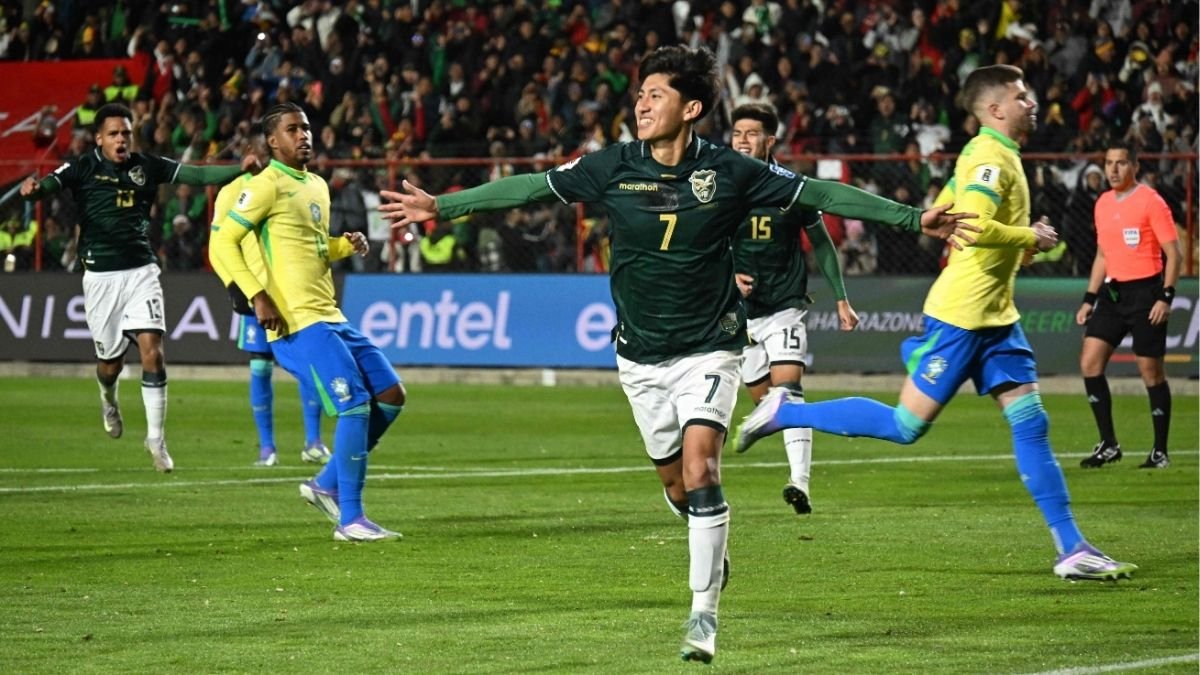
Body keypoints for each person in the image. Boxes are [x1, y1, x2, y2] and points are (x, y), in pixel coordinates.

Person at [379, 46, 976, 664]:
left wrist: (911, 218)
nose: (640, 102)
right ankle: (711, 546)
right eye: (639, 93)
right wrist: (442, 206)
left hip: (711, 348)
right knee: (676, 485)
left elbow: (821, 193)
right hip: (638, 356)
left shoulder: (733, 171)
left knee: (702, 470)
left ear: (690, 108)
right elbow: (531, 186)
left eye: (655, 94)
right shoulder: (613, 166)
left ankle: (702, 615)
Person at [733, 65, 1139, 584]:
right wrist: (1026, 238)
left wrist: (1016, 247)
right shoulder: (990, 157)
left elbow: (949, 211)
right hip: (963, 317)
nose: (1032, 102)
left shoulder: (986, 153)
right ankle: (787, 411)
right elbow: (970, 224)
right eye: (1021, 96)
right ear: (995, 109)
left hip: (997, 316)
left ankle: (1071, 548)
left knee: (1032, 421)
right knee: (906, 426)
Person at [20, 103, 258, 472]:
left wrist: (237, 170)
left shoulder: (146, 165)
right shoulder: (83, 166)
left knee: (153, 352)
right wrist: (34, 191)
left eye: (126, 133)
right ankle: (108, 398)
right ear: (99, 138)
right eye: (114, 133)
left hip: (141, 272)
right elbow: (50, 184)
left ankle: (156, 440)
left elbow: (195, 175)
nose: (121, 139)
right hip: (100, 278)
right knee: (110, 365)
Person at [210, 102, 406, 542]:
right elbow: (223, 243)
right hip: (295, 320)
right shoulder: (265, 186)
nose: (304, 135)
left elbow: (309, 248)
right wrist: (256, 295)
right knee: (354, 404)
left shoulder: (316, 184)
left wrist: (341, 245)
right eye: (293, 129)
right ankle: (350, 519)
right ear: (273, 141)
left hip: (330, 313)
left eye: (307, 128)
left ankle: (324, 483)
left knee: (391, 395)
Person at [729, 102, 860, 515]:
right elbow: (701, 244)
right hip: (737, 313)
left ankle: (799, 482)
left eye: (751, 133)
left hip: (785, 305)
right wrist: (727, 276)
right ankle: (765, 425)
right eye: (737, 133)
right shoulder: (719, 188)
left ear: (770, 140)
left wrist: (840, 296)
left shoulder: (792, 188)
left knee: (788, 391)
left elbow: (821, 242)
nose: (742, 140)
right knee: (765, 402)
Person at [209, 125, 331, 468]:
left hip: (293, 293)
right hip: (255, 292)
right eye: (255, 149)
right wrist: (235, 286)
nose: (260, 156)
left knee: (309, 368)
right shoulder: (233, 190)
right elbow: (219, 243)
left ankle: (313, 442)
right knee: (260, 367)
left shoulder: (295, 184)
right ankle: (267, 447)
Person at [1075, 143, 1181, 470]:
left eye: (1121, 163)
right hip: (1113, 294)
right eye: (1108, 163)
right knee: (1090, 363)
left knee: (1150, 372)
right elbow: (1102, 255)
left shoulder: (1152, 201)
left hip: (1147, 294)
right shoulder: (1103, 203)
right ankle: (1109, 444)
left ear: (1135, 166)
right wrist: (1089, 298)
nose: (1113, 170)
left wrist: (1166, 296)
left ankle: (1159, 451)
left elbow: (1174, 254)